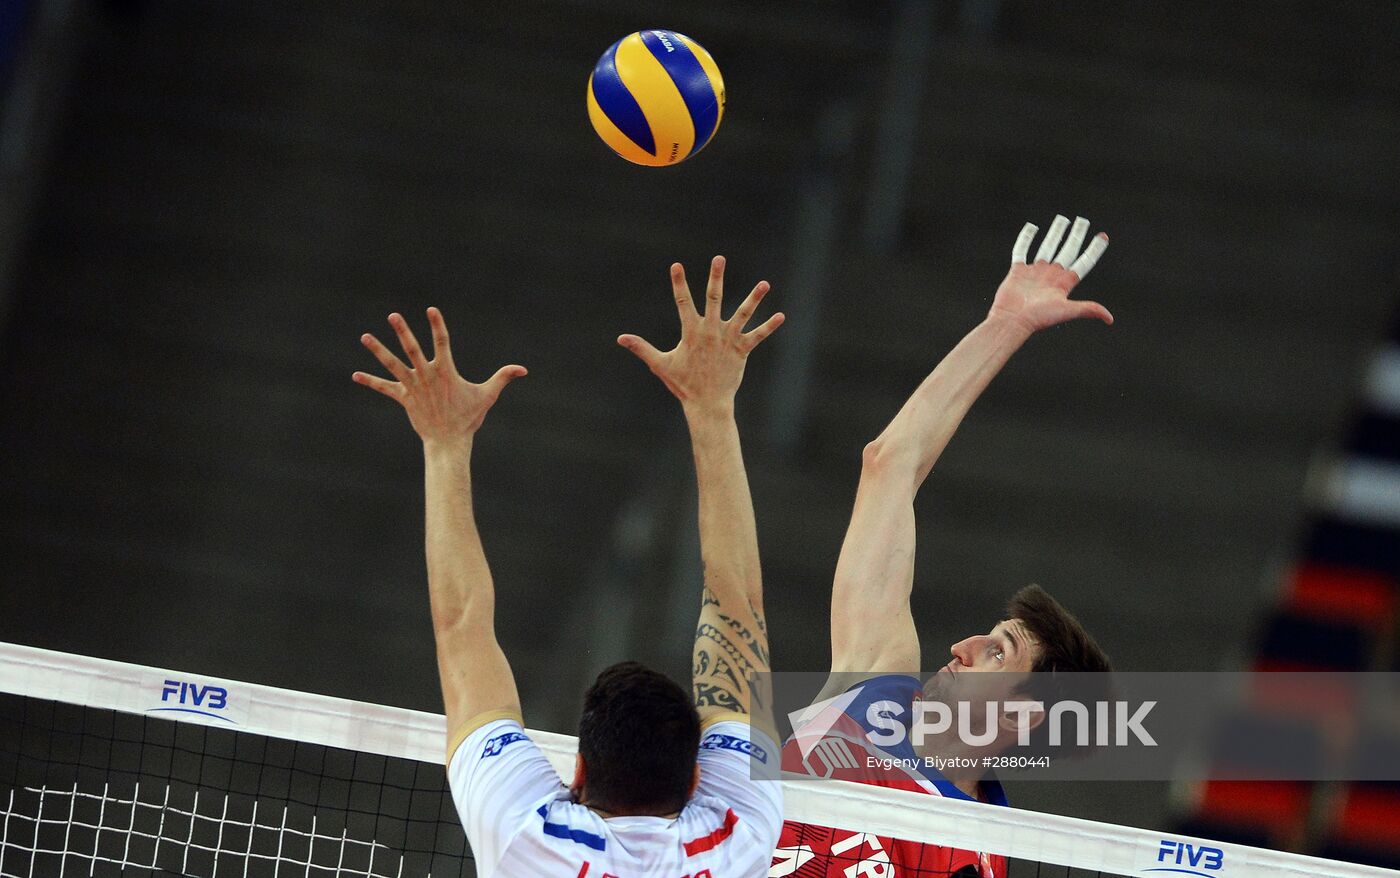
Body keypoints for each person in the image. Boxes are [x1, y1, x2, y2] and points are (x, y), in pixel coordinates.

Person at [351, 256, 785, 878]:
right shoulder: (738, 834)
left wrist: (444, 444)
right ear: (694, 776)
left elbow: (463, 627)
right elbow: (736, 605)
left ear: (578, 769)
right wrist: (712, 407)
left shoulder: (522, 835)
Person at [773, 216, 1116, 878]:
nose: (961, 647)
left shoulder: (979, 860)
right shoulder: (871, 690)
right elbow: (887, 466)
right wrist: (1008, 325)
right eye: (987, 636)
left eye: (997, 652)